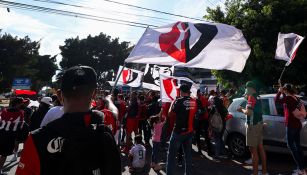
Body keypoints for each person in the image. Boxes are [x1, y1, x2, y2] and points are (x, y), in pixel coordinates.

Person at [16, 65, 121, 175]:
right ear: (94, 94)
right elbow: (115, 113)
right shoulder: (104, 124)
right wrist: (109, 100)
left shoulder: (37, 139)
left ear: (60, 95)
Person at [166, 84, 198, 175]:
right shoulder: (194, 101)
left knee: (171, 156)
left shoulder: (178, 101)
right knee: (188, 156)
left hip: (178, 132)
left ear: (181, 91)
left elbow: (170, 114)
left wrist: (172, 103)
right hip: (189, 131)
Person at [237, 81, 268, 175]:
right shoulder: (257, 96)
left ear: (250, 88)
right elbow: (257, 110)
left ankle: (255, 173)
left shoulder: (251, 97)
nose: (246, 89)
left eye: (247, 87)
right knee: (261, 148)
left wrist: (241, 109)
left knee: (253, 151)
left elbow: (249, 112)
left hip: (252, 127)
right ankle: (264, 172)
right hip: (259, 124)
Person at [275, 83, 306, 175]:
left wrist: (279, 92)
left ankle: (301, 169)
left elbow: (277, 100)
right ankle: (302, 167)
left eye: (283, 89)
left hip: (291, 125)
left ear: (285, 90)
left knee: (291, 146)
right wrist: (282, 91)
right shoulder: (295, 97)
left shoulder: (288, 98)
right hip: (297, 124)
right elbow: (286, 101)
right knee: (297, 146)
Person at [0, 97, 25, 175]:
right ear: (17, 104)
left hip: (1, 133)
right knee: (4, 154)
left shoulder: (4, 111)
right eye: (21, 103)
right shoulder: (20, 112)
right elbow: (20, 126)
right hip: (10, 136)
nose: (22, 104)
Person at [195, 89, 211, 156]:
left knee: (197, 134)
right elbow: (209, 105)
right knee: (206, 134)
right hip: (205, 118)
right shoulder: (203, 98)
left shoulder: (194, 99)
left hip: (198, 119)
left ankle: (199, 150)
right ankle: (209, 150)